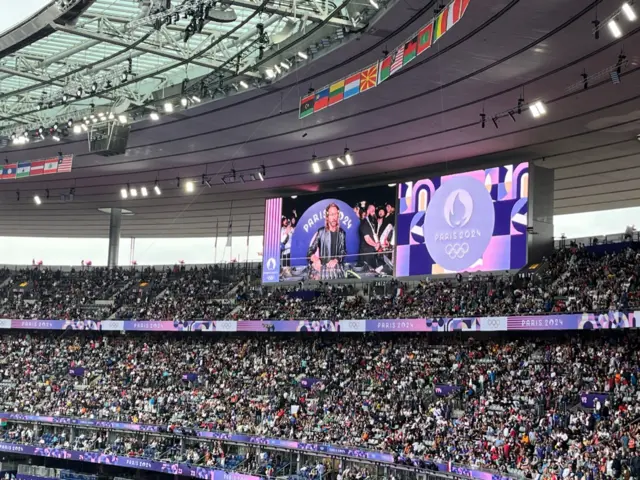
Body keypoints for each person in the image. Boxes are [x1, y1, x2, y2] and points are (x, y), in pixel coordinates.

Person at [307, 203, 347, 280]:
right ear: (327, 217)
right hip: (323, 271)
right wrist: (315, 259)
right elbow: (310, 251)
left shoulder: (342, 233)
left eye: (335, 214)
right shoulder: (321, 232)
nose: (334, 217)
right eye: (331, 214)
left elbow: (343, 252)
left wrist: (335, 260)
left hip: (336, 271)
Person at [359, 204, 381, 270]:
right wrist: (376, 245)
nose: (374, 213)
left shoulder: (370, 223)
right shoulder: (364, 222)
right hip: (366, 254)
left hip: (371, 252)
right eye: (373, 211)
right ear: (368, 211)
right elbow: (367, 238)